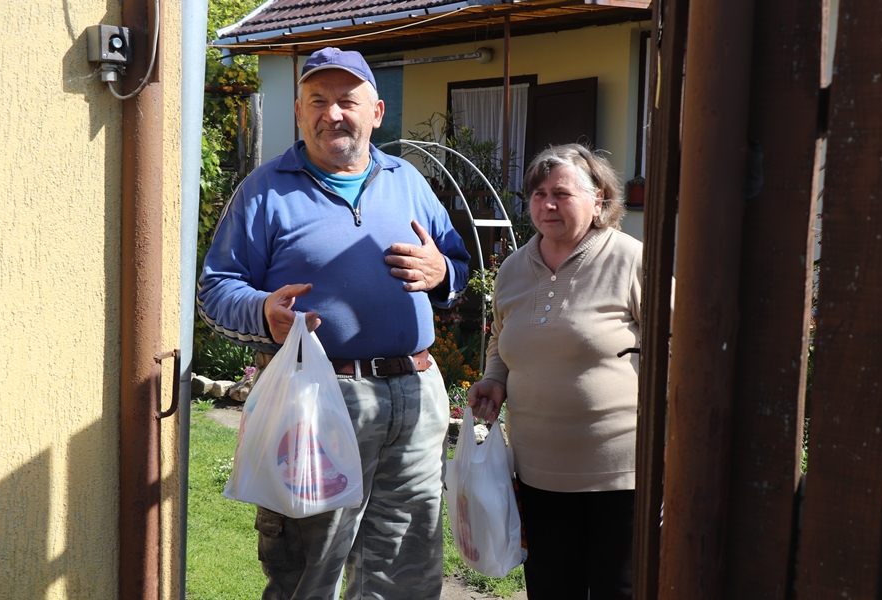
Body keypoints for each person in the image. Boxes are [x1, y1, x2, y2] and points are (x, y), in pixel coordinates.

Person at [197, 47, 470, 600]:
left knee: (405, 569)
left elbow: (458, 265)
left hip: (415, 398)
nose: (333, 113)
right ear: (299, 112)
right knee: (309, 569)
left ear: (376, 110)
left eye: (347, 100)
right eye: (317, 101)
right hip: (317, 400)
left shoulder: (408, 180)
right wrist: (263, 312)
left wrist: (443, 272)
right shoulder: (264, 191)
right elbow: (215, 289)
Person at [468, 144, 642, 599]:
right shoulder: (511, 270)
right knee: (550, 589)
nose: (547, 205)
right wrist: (494, 378)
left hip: (621, 477)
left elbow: (677, 346)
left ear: (599, 199)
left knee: (619, 591)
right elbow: (500, 341)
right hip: (537, 473)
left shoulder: (631, 260)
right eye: (538, 193)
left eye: (562, 193)